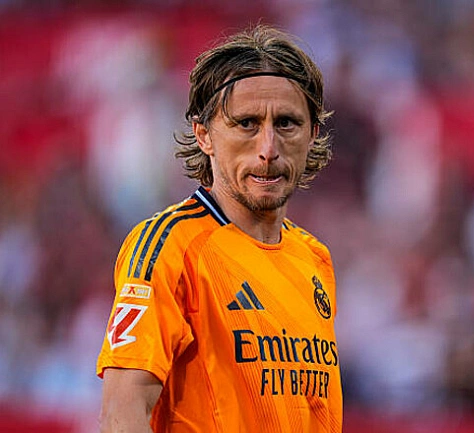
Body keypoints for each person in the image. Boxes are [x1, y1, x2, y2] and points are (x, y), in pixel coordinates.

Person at [96, 24, 342, 432]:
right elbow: (122, 414)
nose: (268, 149)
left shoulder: (314, 258)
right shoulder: (168, 246)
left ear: (313, 134)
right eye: (246, 123)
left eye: (286, 123)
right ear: (204, 134)